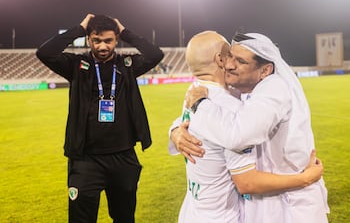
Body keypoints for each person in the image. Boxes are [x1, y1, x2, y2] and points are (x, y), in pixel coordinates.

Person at [172, 32, 330, 223]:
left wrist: (200, 105)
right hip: (256, 202)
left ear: (265, 71)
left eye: (240, 61)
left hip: (291, 203)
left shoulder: (274, 88)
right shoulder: (231, 91)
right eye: (229, 56)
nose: (229, 65)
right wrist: (176, 131)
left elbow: (238, 135)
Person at [36, 14, 164, 223]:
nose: (102, 46)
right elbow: (45, 53)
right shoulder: (77, 64)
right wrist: (79, 27)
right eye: (96, 40)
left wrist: (125, 32)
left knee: (124, 218)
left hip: (123, 157)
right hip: (86, 160)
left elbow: (155, 54)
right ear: (88, 40)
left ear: (116, 40)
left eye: (108, 40)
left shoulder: (127, 64)